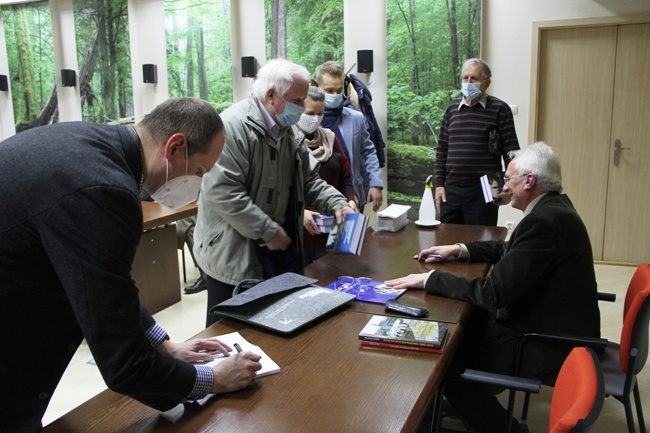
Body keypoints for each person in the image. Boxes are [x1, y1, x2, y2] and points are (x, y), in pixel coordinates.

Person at [0, 98, 263, 433]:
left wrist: (163, 345)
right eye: (199, 172)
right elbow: (125, 365)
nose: (197, 188)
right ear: (175, 147)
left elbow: (106, 285)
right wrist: (214, 378)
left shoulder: (92, 146)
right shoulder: (104, 190)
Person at [387, 142, 600, 433]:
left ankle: (504, 427)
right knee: (462, 330)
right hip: (551, 325)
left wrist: (429, 279)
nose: (505, 186)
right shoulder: (554, 208)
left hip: (546, 342)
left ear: (529, 181)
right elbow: (510, 248)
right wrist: (459, 249)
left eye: (509, 178)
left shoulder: (546, 221)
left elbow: (493, 293)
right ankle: (447, 406)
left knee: (447, 361)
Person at [194, 59, 354, 327]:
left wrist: (338, 203)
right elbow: (221, 191)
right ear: (271, 95)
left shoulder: (290, 131)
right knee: (230, 333)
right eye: (297, 100)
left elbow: (309, 181)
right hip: (234, 254)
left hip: (277, 249)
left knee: (278, 324)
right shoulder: (232, 127)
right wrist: (266, 230)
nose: (303, 107)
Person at [434, 58, 520, 226]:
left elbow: (511, 152)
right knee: (445, 239)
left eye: (473, 78)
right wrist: (439, 185)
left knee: (481, 241)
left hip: (488, 185)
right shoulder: (452, 109)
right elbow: (442, 150)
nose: (468, 82)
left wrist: (510, 187)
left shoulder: (500, 109)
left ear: (486, 83)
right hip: (451, 187)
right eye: (464, 78)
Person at [298, 83, 357, 265]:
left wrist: (350, 200)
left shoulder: (330, 138)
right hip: (304, 229)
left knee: (336, 274)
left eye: (320, 114)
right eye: (310, 114)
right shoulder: (289, 142)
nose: (315, 119)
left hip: (335, 222)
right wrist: (301, 213)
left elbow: (346, 176)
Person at [315, 60, 384, 212]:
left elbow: (368, 151)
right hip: (319, 198)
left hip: (353, 195)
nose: (335, 95)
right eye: (329, 90)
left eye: (339, 90)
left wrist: (375, 183)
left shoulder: (356, 118)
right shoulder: (309, 121)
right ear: (318, 88)